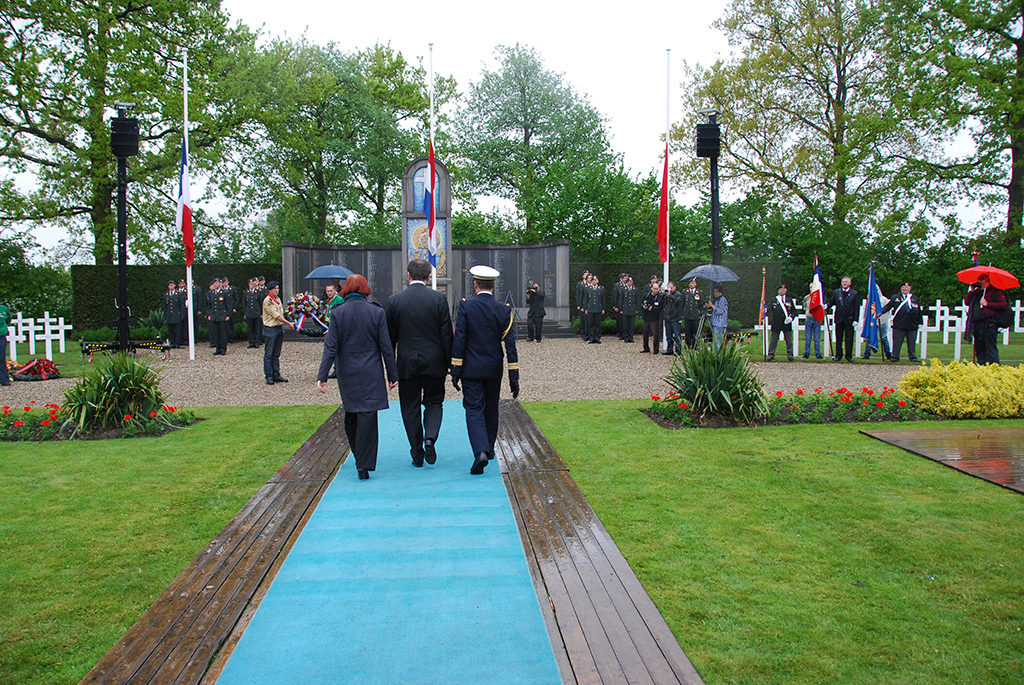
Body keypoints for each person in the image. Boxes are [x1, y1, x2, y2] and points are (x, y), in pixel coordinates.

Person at [318, 274, 398, 480]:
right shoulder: (376, 312)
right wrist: (392, 373)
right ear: (365, 289)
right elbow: (386, 346)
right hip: (371, 371)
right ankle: (364, 462)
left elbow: (330, 347)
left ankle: (358, 454)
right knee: (367, 416)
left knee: (352, 413)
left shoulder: (338, 313)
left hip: (348, 372)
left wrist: (323, 376)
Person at [450, 265, 519, 475]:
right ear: (494, 286)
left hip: (471, 368)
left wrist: (455, 369)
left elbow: (460, 339)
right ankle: (488, 448)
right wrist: (514, 376)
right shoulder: (504, 310)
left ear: (475, 285)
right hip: (493, 368)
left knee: (474, 409)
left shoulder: (466, 306)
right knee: (491, 407)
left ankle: (479, 451)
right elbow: (510, 346)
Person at [385, 259, 454, 468]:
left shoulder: (395, 301)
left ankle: (417, 452)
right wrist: (449, 363)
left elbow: (390, 339)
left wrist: (391, 369)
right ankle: (430, 437)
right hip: (434, 362)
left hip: (406, 363)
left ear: (408, 276)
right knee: (434, 402)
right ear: (429, 277)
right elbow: (446, 334)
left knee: (409, 407)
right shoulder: (438, 299)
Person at [964, 273, 1008, 364]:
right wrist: (971, 291)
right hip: (977, 324)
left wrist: (987, 304)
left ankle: (994, 367)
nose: (978, 283)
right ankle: (981, 366)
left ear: (986, 281)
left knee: (990, 348)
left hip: (989, 324)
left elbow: (1003, 305)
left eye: (981, 281)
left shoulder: (995, 292)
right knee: (979, 349)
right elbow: (967, 302)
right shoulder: (976, 293)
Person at [262, 280, 294, 383]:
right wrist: (288, 323)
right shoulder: (268, 300)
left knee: (276, 353)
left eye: (277, 288)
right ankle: (269, 376)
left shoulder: (278, 299)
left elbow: (282, 312)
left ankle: (276, 374)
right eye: (274, 289)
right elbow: (276, 315)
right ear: (270, 290)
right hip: (270, 328)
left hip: (278, 328)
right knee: (269, 354)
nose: (277, 290)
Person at [882, 282, 922, 362]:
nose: (904, 289)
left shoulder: (914, 298)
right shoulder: (895, 298)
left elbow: (918, 311)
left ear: (910, 288)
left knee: (911, 342)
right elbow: (888, 307)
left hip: (912, 324)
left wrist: (920, 322)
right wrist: (879, 312)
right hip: (899, 324)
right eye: (903, 287)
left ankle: (912, 357)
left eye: (906, 287)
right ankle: (895, 356)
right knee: (897, 342)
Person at [829, 276, 859, 362]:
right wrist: (826, 306)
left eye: (846, 282)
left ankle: (848, 355)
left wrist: (856, 319)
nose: (844, 283)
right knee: (838, 338)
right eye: (843, 282)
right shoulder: (836, 292)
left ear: (850, 283)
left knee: (849, 339)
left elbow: (856, 308)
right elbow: (831, 302)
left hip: (849, 319)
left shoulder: (854, 294)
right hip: (839, 318)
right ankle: (838, 355)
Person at [768, 284, 797, 361]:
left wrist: (791, 318)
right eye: (780, 289)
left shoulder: (789, 300)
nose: (782, 291)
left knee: (788, 339)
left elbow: (794, 311)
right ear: (778, 291)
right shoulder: (774, 300)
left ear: (786, 290)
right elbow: (768, 308)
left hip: (786, 323)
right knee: (774, 339)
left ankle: (790, 354)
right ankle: (771, 354)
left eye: (783, 289)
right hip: (776, 322)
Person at [207, 279, 232, 355]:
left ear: (220, 284)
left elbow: (228, 305)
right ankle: (218, 348)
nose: (215, 285)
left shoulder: (225, 293)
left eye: (216, 283)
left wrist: (228, 315)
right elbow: (209, 305)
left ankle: (223, 348)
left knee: (223, 333)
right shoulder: (211, 293)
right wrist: (209, 315)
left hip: (222, 316)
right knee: (216, 333)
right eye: (214, 283)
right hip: (214, 316)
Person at [801, 282, 824, 359]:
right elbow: (804, 306)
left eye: (813, 287)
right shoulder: (807, 297)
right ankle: (806, 353)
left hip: (816, 319)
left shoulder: (819, 298)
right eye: (810, 287)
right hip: (809, 318)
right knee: (808, 337)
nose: (812, 289)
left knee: (817, 338)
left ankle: (818, 354)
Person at [681, 279, 705, 349]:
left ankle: (695, 344)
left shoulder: (699, 292)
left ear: (695, 284)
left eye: (693, 283)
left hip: (695, 315)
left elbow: (701, 303)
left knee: (695, 330)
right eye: (690, 283)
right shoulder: (685, 292)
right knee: (687, 331)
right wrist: (682, 313)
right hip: (687, 314)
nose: (691, 284)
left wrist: (700, 312)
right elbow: (682, 303)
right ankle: (688, 344)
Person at [640, 282, 663, 354]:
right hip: (646, 317)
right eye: (654, 289)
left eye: (657, 289)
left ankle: (656, 349)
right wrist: (643, 306)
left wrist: (653, 308)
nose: (656, 290)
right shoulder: (646, 295)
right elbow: (641, 303)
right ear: (651, 288)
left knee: (655, 334)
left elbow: (660, 307)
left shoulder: (660, 297)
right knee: (645, 333)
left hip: (655, 318)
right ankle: (646, 348)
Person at [661, 281, 683, 354]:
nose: (670, 289)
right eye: (668, 287)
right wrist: (664, 294)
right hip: (667, 318)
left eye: (671, 287)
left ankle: (678, 350)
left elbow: (677, 302)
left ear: (674, 287)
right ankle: (669, 349)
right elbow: (661, 303)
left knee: (677, 335)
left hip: (675, 318)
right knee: (668, 335)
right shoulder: (666, 295)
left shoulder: (678, 294)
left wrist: (670, 295)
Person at [163, 280, 184, 348]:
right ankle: (172, 342)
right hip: (169, 315)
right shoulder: (166, 295)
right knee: (170, 330)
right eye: (170, 285)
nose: (171, 286)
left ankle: (177, 343)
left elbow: (182, 306)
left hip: (177, 315)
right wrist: (165, 315)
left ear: (174, 286)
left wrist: (181, 315)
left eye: (172, 285)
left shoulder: (179, 294)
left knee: (178, 330)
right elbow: (165, 306)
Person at [584, 275, 605, 344]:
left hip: (598, 309)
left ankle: (597, 338)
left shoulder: (601, 289)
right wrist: (586, 308)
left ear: (598, 281)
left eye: (595, 280)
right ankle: (591, 338)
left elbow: (603, 300)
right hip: (590, 309)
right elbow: (586, 300)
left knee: (598, 325)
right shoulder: (588, 289)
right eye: (593, 280)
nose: (594, 281)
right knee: (591, 325)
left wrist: (603, 308)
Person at [243, 278, 263, 348]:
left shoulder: (258, 292)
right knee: (250, 329)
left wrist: (261, 313)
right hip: (249, 312)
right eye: (250, 283)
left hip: (256, 312)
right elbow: (244, 303)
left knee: (257, 328)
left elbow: (260, 303)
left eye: (252, 283)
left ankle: (256, 342)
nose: (251, 284)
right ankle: (251, 342)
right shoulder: (245, 292)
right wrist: (245, 313)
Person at [619, 276, 639, 343]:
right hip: (625, 309)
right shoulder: (623, 289)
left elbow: (637, 300)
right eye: (628, 281)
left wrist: (637, 309)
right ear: (627, 282)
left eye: (631, 281)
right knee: (625, 324)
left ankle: (631, 337)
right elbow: (621, 300)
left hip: (632, 309)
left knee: (632, 325)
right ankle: (626, 337)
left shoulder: (635, 289)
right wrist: (621, 309)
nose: (630, 283)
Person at [0, 299, 11, 386]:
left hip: (1, 336)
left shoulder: (4, 309)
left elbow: (8, 320)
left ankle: (4, 379)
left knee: (1, 358)